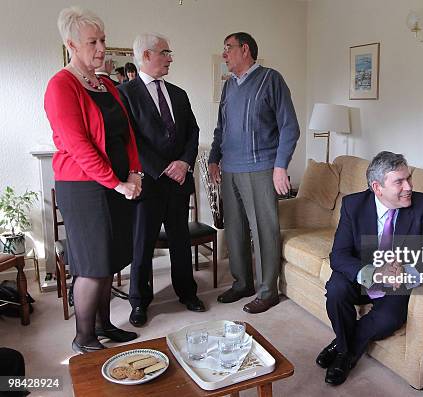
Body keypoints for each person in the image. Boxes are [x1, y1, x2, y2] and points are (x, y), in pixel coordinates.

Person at [44, 6, 142, 353]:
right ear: (71, 44)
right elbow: (79, 146)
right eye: (93, 42)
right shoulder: (61, 85)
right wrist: (116, 183)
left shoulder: (105, 85)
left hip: (116, 183)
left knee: (111, 259)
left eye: (103, 40)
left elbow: (126, 134)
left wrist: (134, 171)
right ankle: (83, 336)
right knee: (93, 264)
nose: (101, 48)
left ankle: (104, 325)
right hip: (84, 188)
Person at [317, 151, 423, 386]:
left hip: (397, 281)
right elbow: (339, 255)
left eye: (408, 178)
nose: (408, 186)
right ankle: (346, 352)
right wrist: (374, 273)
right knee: (336, 290)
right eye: (399, 181)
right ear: (377, 187)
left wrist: (406, 271)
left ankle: (343, 349)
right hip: (363, 274)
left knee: (389, 317)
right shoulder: (353, 205)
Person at [208, 32, 300, 314]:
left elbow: (289, 127)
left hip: (261, 168)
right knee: (234, 230)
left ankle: (267, 291)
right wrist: (214, 158)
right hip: (230, 169)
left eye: (228, 48)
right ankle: (242, 283)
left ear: (244, 49)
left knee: (263, 230)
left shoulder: (271, 79)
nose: (224, 54)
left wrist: (280, 166)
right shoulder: (229, 87)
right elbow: (221, 128)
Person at [119, 32, 205, 328]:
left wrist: (183, 163)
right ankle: (140, 302)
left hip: (179, 182)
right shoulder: (125, 93)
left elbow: (193, 132)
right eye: (165, 52)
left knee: (181, 241)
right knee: (142, 245)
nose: (170, 58)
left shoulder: (178, 93)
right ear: (145, 56)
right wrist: (162, 167)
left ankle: (187, 293)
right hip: (147, 181)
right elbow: (130, 140)